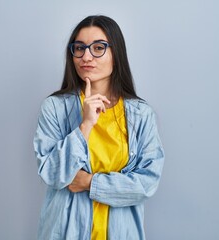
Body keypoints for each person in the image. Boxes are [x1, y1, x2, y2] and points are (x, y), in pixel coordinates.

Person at [33, 15, 165, 240]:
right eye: (79, 48)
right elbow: (52, 174)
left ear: (117, 54)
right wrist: (85, 125)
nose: (86, 56)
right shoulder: (54, 108)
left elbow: (146, 184)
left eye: (98, 48)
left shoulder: (141, 114)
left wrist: (90, 182)